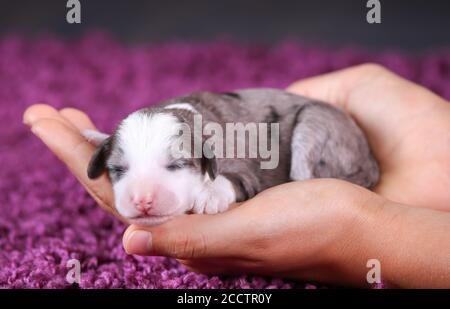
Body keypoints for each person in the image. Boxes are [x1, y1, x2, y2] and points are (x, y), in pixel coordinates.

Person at [23, 64, 450, 288]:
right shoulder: (158, 129)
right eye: (119, 170)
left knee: (307, 141)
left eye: (175, 167)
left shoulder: (219, 139)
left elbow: (242, 170)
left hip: (313, 131)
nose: (142, 196)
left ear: (206, 158)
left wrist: (225, 187)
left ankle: (324, 180)